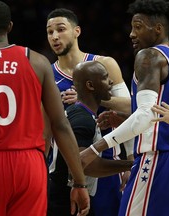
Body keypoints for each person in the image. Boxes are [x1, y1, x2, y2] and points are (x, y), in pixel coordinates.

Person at [0, 1, 90, 216]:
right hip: (30, 164)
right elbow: (60, 124)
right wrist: (79, 182)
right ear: (10, 27)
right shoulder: (38, 62)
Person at [80, 0, 169, 215]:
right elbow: (157, 115)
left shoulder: (149, 56)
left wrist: (95, 149)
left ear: (158, 29)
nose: (131, 33)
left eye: (138, 27)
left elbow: (145, 117)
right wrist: (124, 119)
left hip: (156, 158)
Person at [46, 8, 133, 216]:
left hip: (104, 166)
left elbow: (132, 108)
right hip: (64, 170)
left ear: (77, 31)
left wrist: (88, 97)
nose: (55, 36)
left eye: (61, 29)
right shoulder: (46, 74)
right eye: (49, 32)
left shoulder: (104, 64)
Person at [66, 61, 133, 215]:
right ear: (90, 85)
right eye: (105, 78)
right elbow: (88, 166)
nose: (110, 82)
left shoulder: (81, 113)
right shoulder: (82, 118)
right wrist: (132, 165)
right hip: (67, 198)